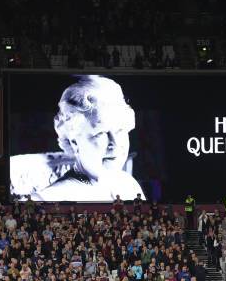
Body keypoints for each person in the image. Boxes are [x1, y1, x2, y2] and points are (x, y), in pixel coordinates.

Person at [10, 75, 146, 202]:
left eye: (120, 130)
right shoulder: (48, 200)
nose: (115, 144)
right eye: (101, 133)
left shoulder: (129, 184)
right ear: (73, 141)